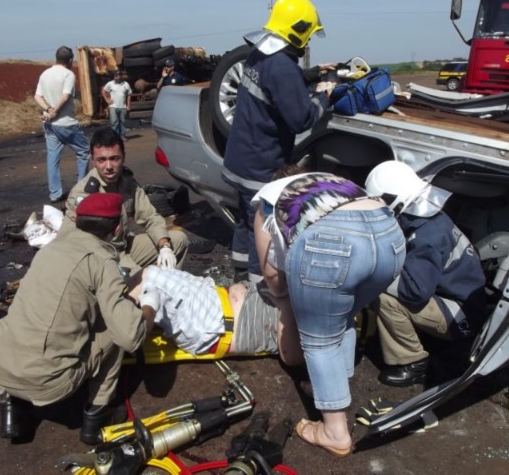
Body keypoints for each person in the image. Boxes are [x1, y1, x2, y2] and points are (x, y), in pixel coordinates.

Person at [252, 169, 405, 456]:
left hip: (333, 242)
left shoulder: (267, 198)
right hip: (390, 236)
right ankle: (336, 385)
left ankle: (334, 432)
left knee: (319, 338)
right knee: (341, 311)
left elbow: (271, 273)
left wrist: (284, 298)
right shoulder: (325, 179)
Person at [0, 193, 156, 444]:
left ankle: (14, 411)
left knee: (26, 320)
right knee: (115, 331)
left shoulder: (48, 249)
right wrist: (149, 306)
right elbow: (131, 337)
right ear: (117, 227)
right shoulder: (101, 262)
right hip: (48, 383)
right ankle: (98, 414)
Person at [221, 0, 333, 283]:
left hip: (239, 160)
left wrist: (307, 75)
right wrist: (325, 95)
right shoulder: (283, 67)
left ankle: (239, 275)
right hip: (260, 167)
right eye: (307, 35)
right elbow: (301, 119)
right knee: (263, 230)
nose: (308, 42)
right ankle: (261, 289)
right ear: (298, 30)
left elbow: (274, 86)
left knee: (245, 221)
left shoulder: (259, 53)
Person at [364, 160, 487, 387]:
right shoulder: (427, 217)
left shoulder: (427, 235)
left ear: (394, 198)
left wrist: (373, 273)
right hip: (458, 298)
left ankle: (412, 362)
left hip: (463, 315)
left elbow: (414, 292)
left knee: (383, 297)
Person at [63, 127, 188, 275]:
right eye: (101, 160)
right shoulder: (84, 194)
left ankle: (170, 285)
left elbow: (149, 217)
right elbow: (70, 240)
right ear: (93, 161)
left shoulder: (127, 183)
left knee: (178, 240)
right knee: (140, 281)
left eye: (114, 158)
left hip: (124, 246)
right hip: (102, 257)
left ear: (123, 157)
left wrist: (165, 247)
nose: (108, 166)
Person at [126, 265, 291, 359]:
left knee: (150, 277)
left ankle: (117, 331)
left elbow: (290, 355)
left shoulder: (309, 323)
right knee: (150, 273)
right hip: (214, 295)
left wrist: (284, 304)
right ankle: (116, 315)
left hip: (215, 324)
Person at [34, 45, 91, 203]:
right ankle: (82, 191)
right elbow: (65, 96)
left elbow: (37, 96)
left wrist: (48, 109)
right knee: (84, 152)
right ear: (70, 59)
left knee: (53, 159)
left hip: (50, 125)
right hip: (66, 123)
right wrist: (55, 111)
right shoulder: (68, 74)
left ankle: (55, 194)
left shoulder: (45, 74)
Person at [103, 70, 132, 139]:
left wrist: (128, 105)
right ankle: (115, 137)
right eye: (115, 75)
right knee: (114, 122)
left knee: (123, 122)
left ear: (121, 76)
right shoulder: (110, 84)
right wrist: (107, 100)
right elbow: (104, 91)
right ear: (114, 76)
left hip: (123, 106)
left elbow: (129, 95)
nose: (117, 76)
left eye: (118, 75)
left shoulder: (126, 84)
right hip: (113, 106)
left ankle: (122, 136)